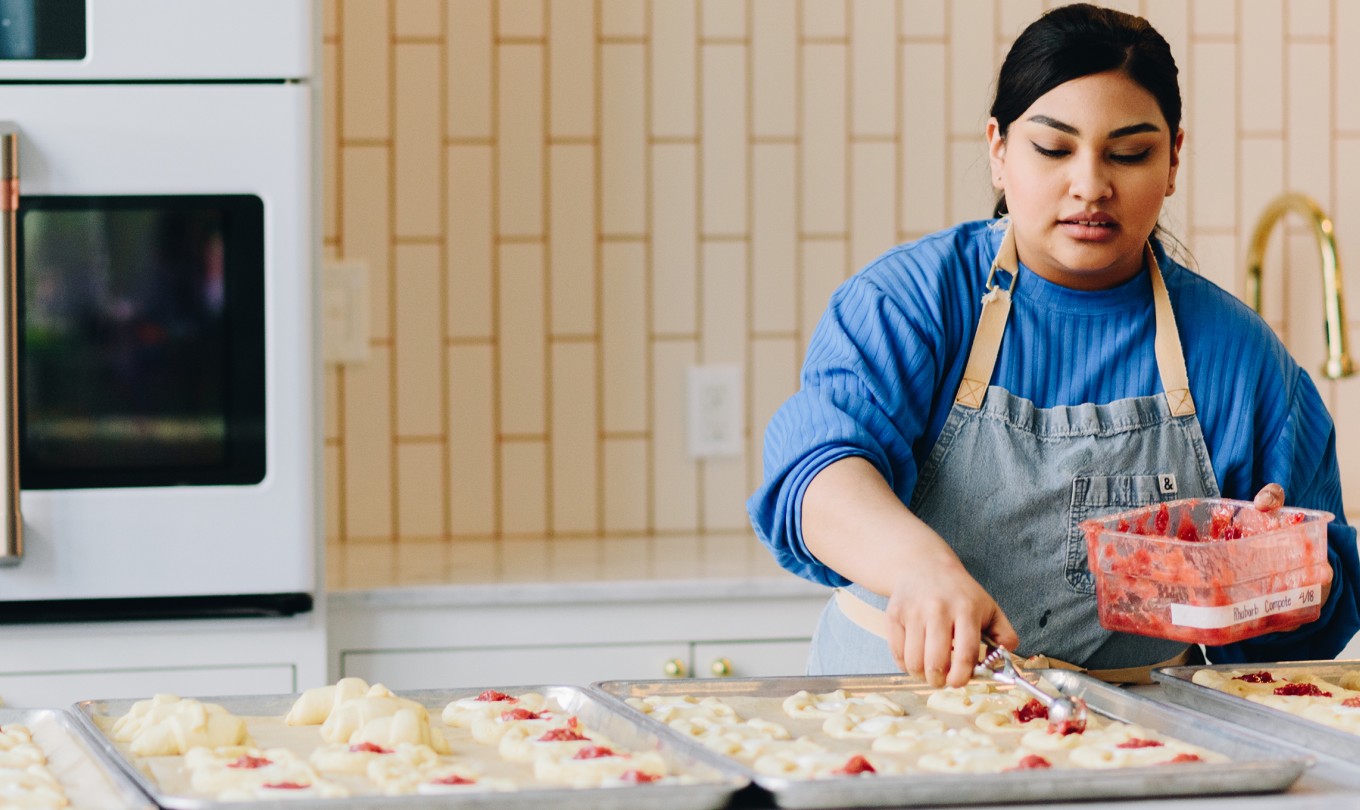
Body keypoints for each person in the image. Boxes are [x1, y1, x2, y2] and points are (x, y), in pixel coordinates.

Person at [747, 3, 1360, 688]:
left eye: (1129, 153)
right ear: (998, 150)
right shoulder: (913, 302)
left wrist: (1281, 580)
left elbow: (1315, 619)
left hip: (1138, 755)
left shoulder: (1240, 358)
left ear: (1174, 158)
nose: (1091, 185)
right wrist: (920, 565)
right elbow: (816, 471)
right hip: (897, 722)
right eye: (1053, 148)